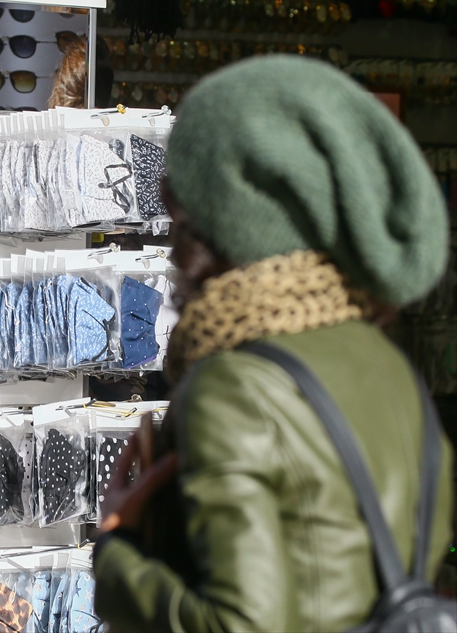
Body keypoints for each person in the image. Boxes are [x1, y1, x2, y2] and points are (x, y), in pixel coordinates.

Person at [93, 55, 454, 631]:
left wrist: (117, 554)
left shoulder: (233, 386)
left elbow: (240, 623)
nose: (171, 255)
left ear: (226, 229)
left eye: (181, 222)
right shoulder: (389, 370)